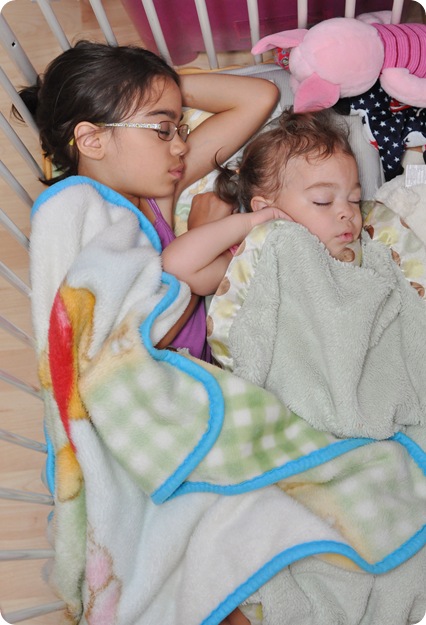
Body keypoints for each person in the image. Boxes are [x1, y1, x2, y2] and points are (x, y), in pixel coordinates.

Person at [15, 40, 285, 363]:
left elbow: (259, 97)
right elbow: (128, 345)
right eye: (163, 129)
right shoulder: (80, 218)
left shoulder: (158, 190)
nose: (181, 146)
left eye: (179, 128)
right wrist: (200, 239)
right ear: (92, 140)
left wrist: (162, 85)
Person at [213, 107, 363, 261]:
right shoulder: (253, 256)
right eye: (323, 201)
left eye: (355, 200)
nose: (348, 212)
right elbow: (194, 261)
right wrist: (249, 223)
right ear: (266, 210)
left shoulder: (367, 244)